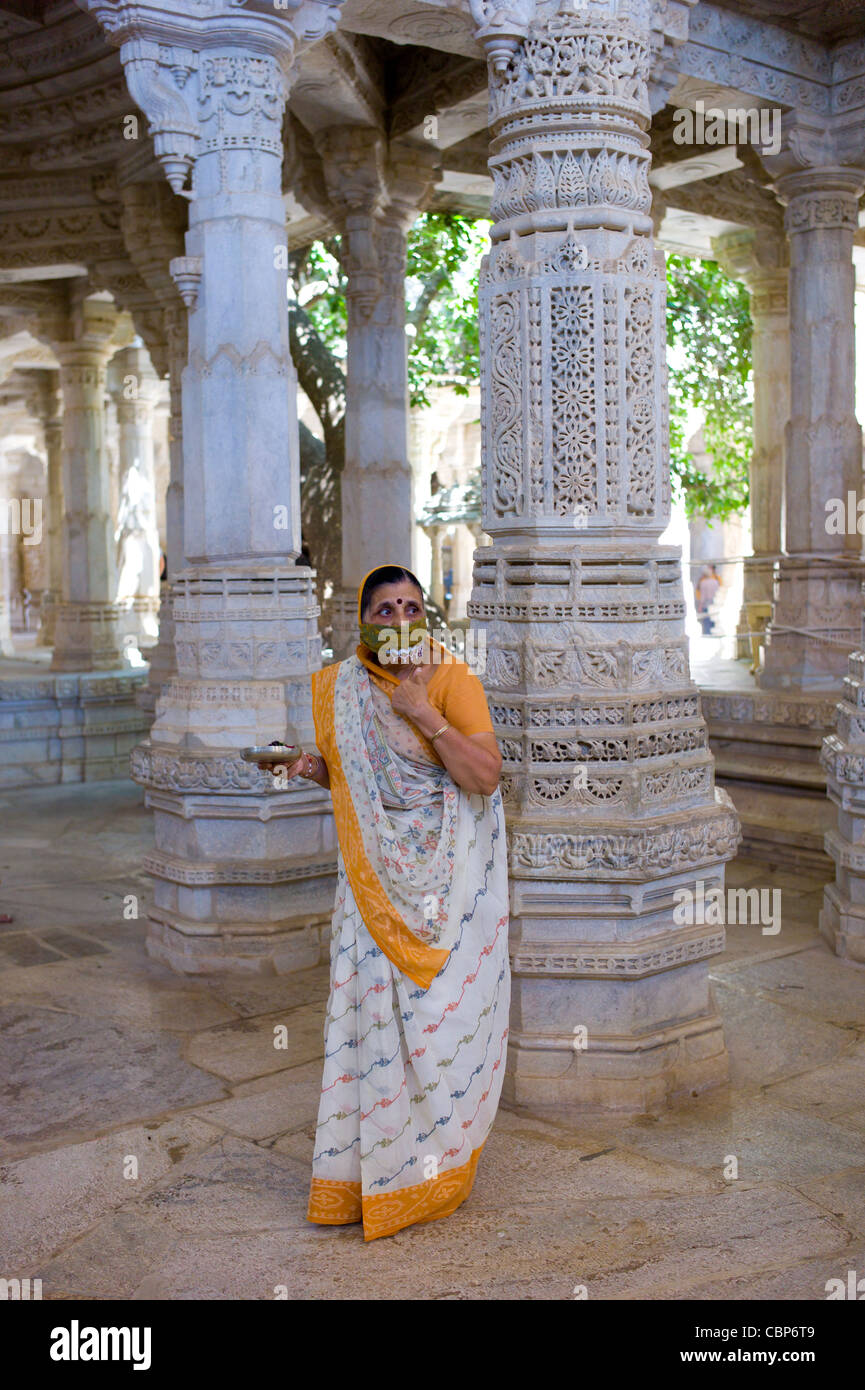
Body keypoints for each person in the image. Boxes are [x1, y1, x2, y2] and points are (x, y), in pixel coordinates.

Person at [260, 562, 510, 1241]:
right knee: (369, 1024)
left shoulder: (451, 678)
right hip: (371, 894)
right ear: (362, 619)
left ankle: (432, 1174)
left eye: (412, 607)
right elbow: (362, 788)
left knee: (437, 1027)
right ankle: (364, 1179)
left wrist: (424, 712)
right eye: (386, 608)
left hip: (447, 891)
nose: (400, 620)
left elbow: (484, 777)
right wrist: (313, 769)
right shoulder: (344, 687)